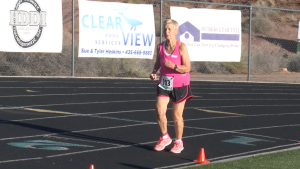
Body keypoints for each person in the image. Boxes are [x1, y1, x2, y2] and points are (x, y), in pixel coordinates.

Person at [149, 19, 192, 154]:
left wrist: (173, 66)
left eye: (169, 29)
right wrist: (154, 71)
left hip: (180, 84)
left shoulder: (181, 47)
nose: (166, 32)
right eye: (165, 29)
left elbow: (187, 67)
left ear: (176, 31)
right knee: (159, 110)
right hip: (164, 83)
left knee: (176, 115)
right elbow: (158, 62)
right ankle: (164, 137)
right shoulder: (160, 47)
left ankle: (178, 142)